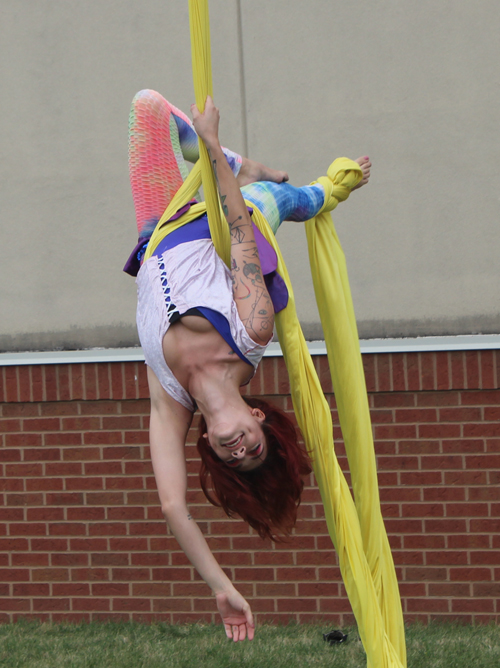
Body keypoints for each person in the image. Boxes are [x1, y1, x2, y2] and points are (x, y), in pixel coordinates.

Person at [126, 90, 371, 641]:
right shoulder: (251, 330)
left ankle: (241, 166)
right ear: (259, 418)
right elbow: (240, 233)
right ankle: (312, 184)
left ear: (212, 449)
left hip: (156, 234)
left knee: (145, 107)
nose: (239, 452)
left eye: (233, 461)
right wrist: (212, 149)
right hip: (235, 211)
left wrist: (221, 586)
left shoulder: (171, 400)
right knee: (294, 199)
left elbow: (172, 506)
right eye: (253, 450)